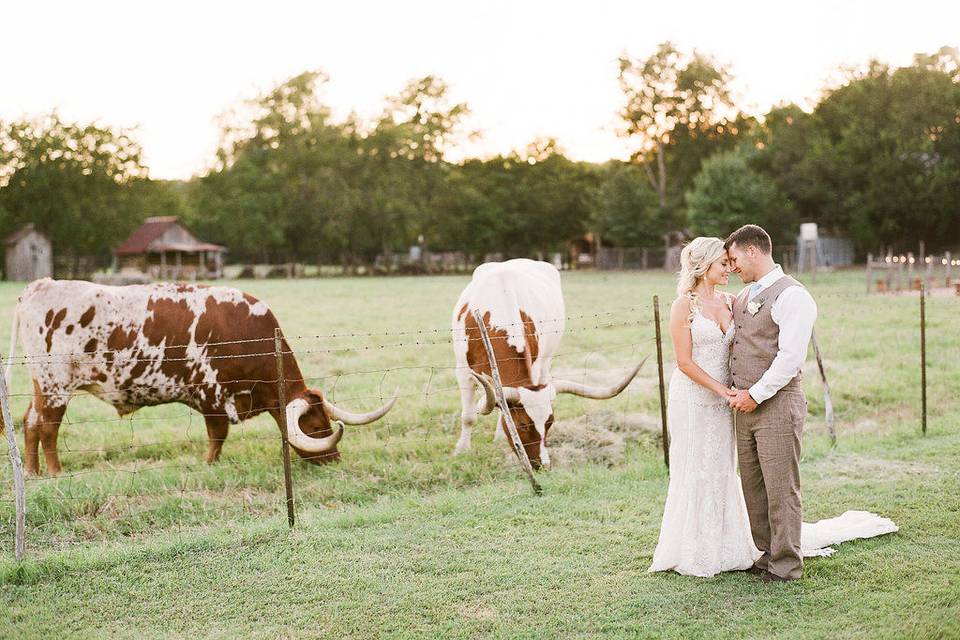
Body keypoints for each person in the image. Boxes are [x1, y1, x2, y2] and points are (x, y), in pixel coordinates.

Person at [648, 236, 762, 577]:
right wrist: (721, 391)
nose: (730, 268)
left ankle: (729, 544)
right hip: (694, 397)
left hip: (724, 399)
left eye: (730, 263)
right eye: (723, 263)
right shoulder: (684, 305)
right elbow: (684, 361)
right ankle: (693, 548)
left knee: (722, 465)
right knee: (695, 464)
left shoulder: (731, 301)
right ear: (704, 267)